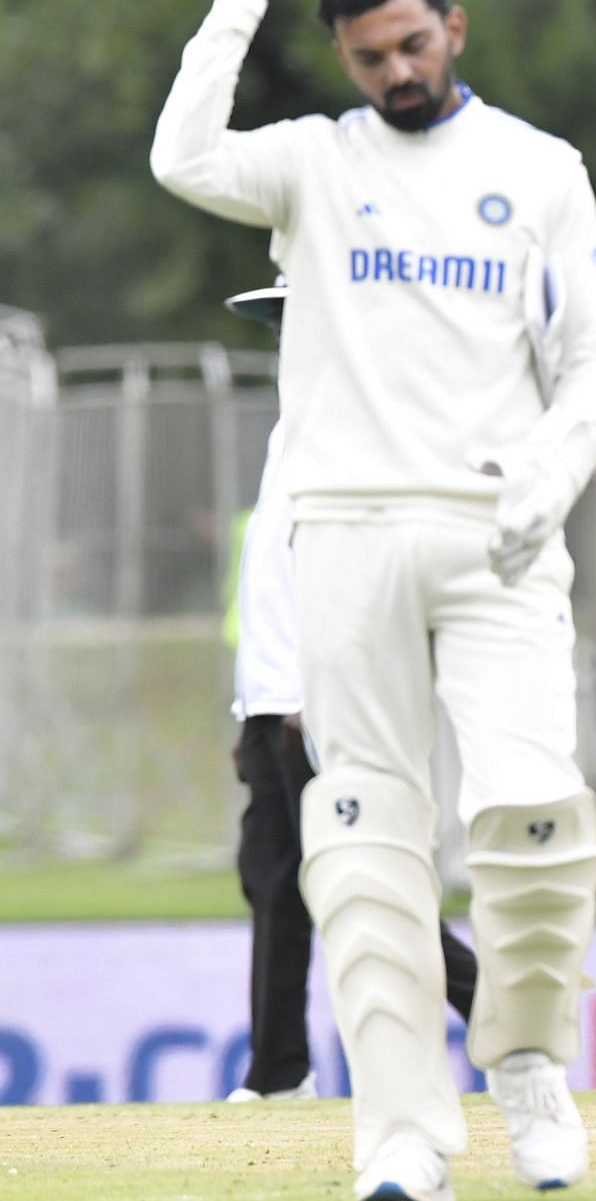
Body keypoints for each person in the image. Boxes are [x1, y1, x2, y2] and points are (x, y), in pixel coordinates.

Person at [151, 0, 596, 1201]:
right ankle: (400, 1136)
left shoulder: (540, 167)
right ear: (346, 59)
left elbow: (594, 356)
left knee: (532, 818)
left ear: (452, 29)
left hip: (499, 534)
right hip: (347, 535)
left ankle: (527, 1061)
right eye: (370, 57)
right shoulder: (312, 162)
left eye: (414, 45)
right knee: (359, 840)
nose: (398, 72)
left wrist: (553, 473)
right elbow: (181, 157)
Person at [223, 288, 478, 1104]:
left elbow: (360, 579)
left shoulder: (353, 430)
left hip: (319, 703)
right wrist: (255, 708)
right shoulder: (293, 429)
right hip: (276, 705)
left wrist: (319, 692)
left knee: (363, 882)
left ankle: (505, 1022)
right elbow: (274, 582)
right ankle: (278, 1073)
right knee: (277, 880)